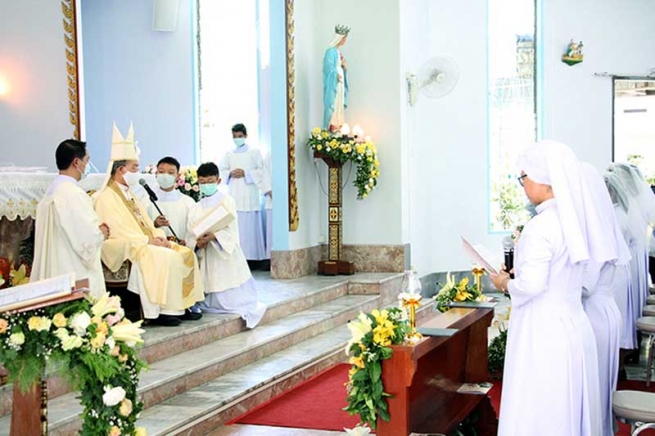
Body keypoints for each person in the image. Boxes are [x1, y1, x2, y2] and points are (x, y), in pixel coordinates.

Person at [489, 140, 604, 436]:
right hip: (573, 324)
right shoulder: (573, 222)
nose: (523, 185)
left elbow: (532, 285)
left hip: (543, 330)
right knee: (563, 407)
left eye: (525, 178)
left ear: (544, 180)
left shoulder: (541, 226)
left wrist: (505, 282)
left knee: (540, 407)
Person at [94, 123, 204, 326]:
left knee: (184, 253)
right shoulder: (106, 196)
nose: (138, 171)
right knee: (164, 256)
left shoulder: (130, 194)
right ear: (121, 169)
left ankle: (182, 305)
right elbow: (117, 229)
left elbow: (144, 221)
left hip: (143, 240)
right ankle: (161, 311)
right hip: (125, 244)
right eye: (135, 167)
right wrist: (148, 240)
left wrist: (158, 235)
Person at [580, 163, 630, 436]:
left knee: (595, 384)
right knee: (599, 383)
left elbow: (586, 285)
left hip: (595, 314)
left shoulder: (595, 230)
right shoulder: (603, 223)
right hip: (605, 310)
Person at [186, 162, 266, 328]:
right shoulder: (195, 207)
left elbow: (232, 228)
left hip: (222, 250)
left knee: (231, 297)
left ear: (218, 180)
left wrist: (214, 236)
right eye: (202, 182)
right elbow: (190, 232)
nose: (206, 185)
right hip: (206, 252)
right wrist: (196, 242)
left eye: (210, 181)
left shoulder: (226, 201)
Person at [31, 139, 109, 297]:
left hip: (54, 264)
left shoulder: (51, 192)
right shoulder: (72, 193)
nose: (87, 166)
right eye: (86, 161)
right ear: (76, 162)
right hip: (70, 266)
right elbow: (85, 236)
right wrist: (101, 232)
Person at [219, 123, 267, 262]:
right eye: (234, 136)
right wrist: (230, 173)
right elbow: (221, 171)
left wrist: (246, 173)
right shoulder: (229, 154)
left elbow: (261, 171)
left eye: (240, 136)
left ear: (245, 136)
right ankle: (238, 258)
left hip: (249, 193)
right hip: (235, 192)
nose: (237, 139)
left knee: (250, 227)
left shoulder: (254, 152)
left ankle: (254, 257)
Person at [146, 156, 196, 246]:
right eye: (161, 172)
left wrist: (188, 241)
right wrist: (154, 224)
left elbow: (194, 229)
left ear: (178, 176)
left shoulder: (188, 202)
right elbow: (139, 227)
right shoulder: (146, 201)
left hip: (181, 250)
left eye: (171, 173)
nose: (165, 176)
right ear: (156, 174)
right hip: (155, 252)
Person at [323, 24, 350, 131]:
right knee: (333, 101)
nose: (344, 41)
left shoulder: (338, 52)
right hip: (335, 80)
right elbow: (328, 66)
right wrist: (335, 74)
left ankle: (338, 123)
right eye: (344, 38)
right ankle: (332, 123)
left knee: (339, 101)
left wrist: (344, 67)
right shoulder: (330, 51)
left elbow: (340, 65)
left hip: (340, 80)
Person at [260, 152, 273, 260]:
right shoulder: (269, 155)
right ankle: (270, 258)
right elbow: (265, 174)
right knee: (272, 231)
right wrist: (269, 190)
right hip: (272, 199)